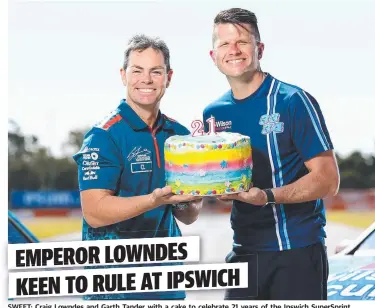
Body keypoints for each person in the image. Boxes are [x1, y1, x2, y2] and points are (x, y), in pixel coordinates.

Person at [202, 8, 340, 300]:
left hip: (295, 253)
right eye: (224, 44)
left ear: (259, 49)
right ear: (213, 56)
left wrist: (267, 196)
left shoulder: (292, 101)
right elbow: (224, 180)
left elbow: (328, 180)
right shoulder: (213, 114)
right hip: (244, 252)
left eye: (242, 41)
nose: (233, 50)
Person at [73, 34, 201, 300]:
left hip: (167, 281)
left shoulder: (180, 135)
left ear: (169, 77)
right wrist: (155, 199)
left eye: (156, 71)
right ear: (123, 75)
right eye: (137, 70)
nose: (146, 79)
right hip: (112, 285)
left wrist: (190, 198)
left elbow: (188, 216)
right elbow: (95, 212)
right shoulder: (103, 135)